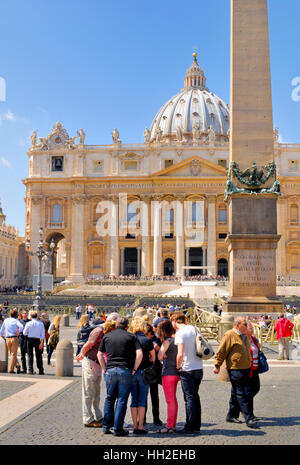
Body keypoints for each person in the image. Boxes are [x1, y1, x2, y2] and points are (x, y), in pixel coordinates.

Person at [98, 317, 143, 436]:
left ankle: (106, 426)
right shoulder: (131, 337)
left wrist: (104, 368)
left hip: (111, 370)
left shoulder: (107, 336)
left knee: (109, 398)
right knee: (122, 400)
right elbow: (140, 354)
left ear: (115, 325)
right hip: (125, 370)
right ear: (127, 326)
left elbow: (99, 354)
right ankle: (118, 429)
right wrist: (134, 368)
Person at [213, 316, 257, 428]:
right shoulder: (229, 335)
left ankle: (231, 415)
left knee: (235, 393)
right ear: (237, 324)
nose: (247, 326)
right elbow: (221, 350)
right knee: (242, 393)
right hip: (235, 369)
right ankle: (249, 417)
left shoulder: (244, 335)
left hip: (246, 367)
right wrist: (217, 365)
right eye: (245, 324)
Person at [171, 312, 203, 434]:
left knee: (189, 398)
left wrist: (178, 367)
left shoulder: (180, 333)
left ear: (174, 321)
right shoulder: (195, 328)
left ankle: (189, 425)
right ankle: (197, 425)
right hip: (198, 367)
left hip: (187, 368)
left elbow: (180, 354)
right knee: (195, 396)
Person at [76, 318, 104, 428]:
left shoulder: (104, 331)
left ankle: (97, 415)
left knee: (96, 392)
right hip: (90, 362)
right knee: (88, 392)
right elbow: (88, 344)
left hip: (96, 362)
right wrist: (82, 354)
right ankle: (88, 418)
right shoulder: (98, 331)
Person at [129, 318, 155, 434]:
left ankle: (134, 425)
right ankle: (140, 426)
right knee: (142, 399)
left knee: (134, 399)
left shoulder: (130, 339)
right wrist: (149, 361)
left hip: (133, 372)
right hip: (144, 371)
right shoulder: (147, 340)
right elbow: (153, 357)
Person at [157, 319, 180, 433]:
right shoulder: (178, 340)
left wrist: (159, 350)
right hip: (176, 372)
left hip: (168, 373)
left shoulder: (167, 341)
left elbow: (160, 357)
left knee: (170, 400)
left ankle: (170, 425)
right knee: (173, 400)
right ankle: (173, 424)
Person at [144, 323, 162, 426]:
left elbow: (162, 354)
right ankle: (143, 418)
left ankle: (156, 418)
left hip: (154, 369)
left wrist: (157, 348)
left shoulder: (156, 339)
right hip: (146, 369)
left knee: (154, 395)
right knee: (144, 396)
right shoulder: (143, 340)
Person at [0, 308, 23, 373]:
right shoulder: (16, 321)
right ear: (16, 315)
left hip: (7, 338)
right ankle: (11, 369)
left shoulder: (6, 320)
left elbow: (1, 330)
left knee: (11, 353)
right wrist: (19, 332)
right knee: (13, 354)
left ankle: (17, 364)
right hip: (14, 338)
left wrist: (2, 336)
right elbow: (21, 327)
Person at [246, 322, 261, 421]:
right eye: (250, 328)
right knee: (249, 392)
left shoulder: (254, 339)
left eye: (252, 328)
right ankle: (250, 414)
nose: (252, 329)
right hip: (247, 369)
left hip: (255, 368)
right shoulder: (243, 339)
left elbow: (259, 349)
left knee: (256, 388)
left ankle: (243, 404)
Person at [23, 311, 45, 375]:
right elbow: (42, 335)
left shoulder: (28, 323)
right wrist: (41, 343)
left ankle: (30, 370)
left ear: (31, 317)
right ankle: (41, 370)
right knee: (39, 355)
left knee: (30, 355)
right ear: (37, 316)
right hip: (37, 340)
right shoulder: (41, 323)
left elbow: (24, 333)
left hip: (30, 340)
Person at [19, 309, 30, 373]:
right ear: (22, 314)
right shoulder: (19, 321)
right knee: (22, 355)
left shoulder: (30, 321)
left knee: (29, 354)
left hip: (28, 339)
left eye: (26, 313)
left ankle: (30, 368)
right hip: (22, 339)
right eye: (24, 313)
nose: (25, 314)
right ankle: (24, 368)